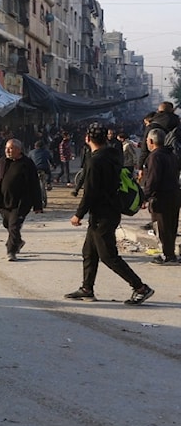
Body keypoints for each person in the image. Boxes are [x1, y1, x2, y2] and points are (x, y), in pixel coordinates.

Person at [66, 124, 154, 306]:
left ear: (87, 139)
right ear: (106, 138)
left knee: (108, 255)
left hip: (103, 214)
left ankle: (140, 288)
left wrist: (78, 214)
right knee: (89, 252)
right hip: (109, 210)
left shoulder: (95, 161)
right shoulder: (113, 155)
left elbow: (90, 192)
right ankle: (86, 288)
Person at [0, 139, 44, 262]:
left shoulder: (27, 164)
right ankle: (19, 241)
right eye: (6, 148)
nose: (7, 151)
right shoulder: (2, 162)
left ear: (18, 149)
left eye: (10, 148)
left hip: (21, 203)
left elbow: (34, 185)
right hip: (4, 201)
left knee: (14, 226)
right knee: (7, 224)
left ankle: (11, 251)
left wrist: (38, 205)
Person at [140, 128, 180, 265]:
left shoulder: (155, 157)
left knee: (161, 227)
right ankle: (170, 254)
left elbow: (153, 180)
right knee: (171, 226)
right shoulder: (171, 155)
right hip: (174, 195)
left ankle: (167, 255)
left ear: (151, 141)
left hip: (160, 198)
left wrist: (144, 197)